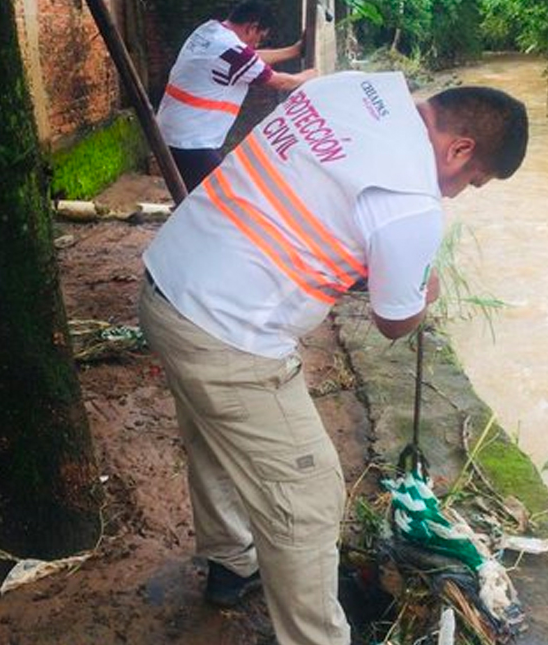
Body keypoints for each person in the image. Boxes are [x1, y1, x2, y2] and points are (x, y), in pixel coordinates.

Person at [138, 71, 528, 645]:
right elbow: (394, 320)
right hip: (227, 335)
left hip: (168, 283)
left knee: (214, 433)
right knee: (312, 497)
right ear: (460, 149)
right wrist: (426, 291)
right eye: (472, 181)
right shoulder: (412, 202)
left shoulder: (349, 89)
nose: (457, 192)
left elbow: (318, 195)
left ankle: (232, 562)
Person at [156, 0, 317, 191]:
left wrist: (294, 51)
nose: (257, 44)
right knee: (220, 197)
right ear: (251, 28)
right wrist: (311, 75)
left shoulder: (209, 31)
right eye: (260, 37)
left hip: (171, 131)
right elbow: (281, 82)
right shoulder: (233, 50)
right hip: (191, 141)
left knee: (200, 197)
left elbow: (249, 58)